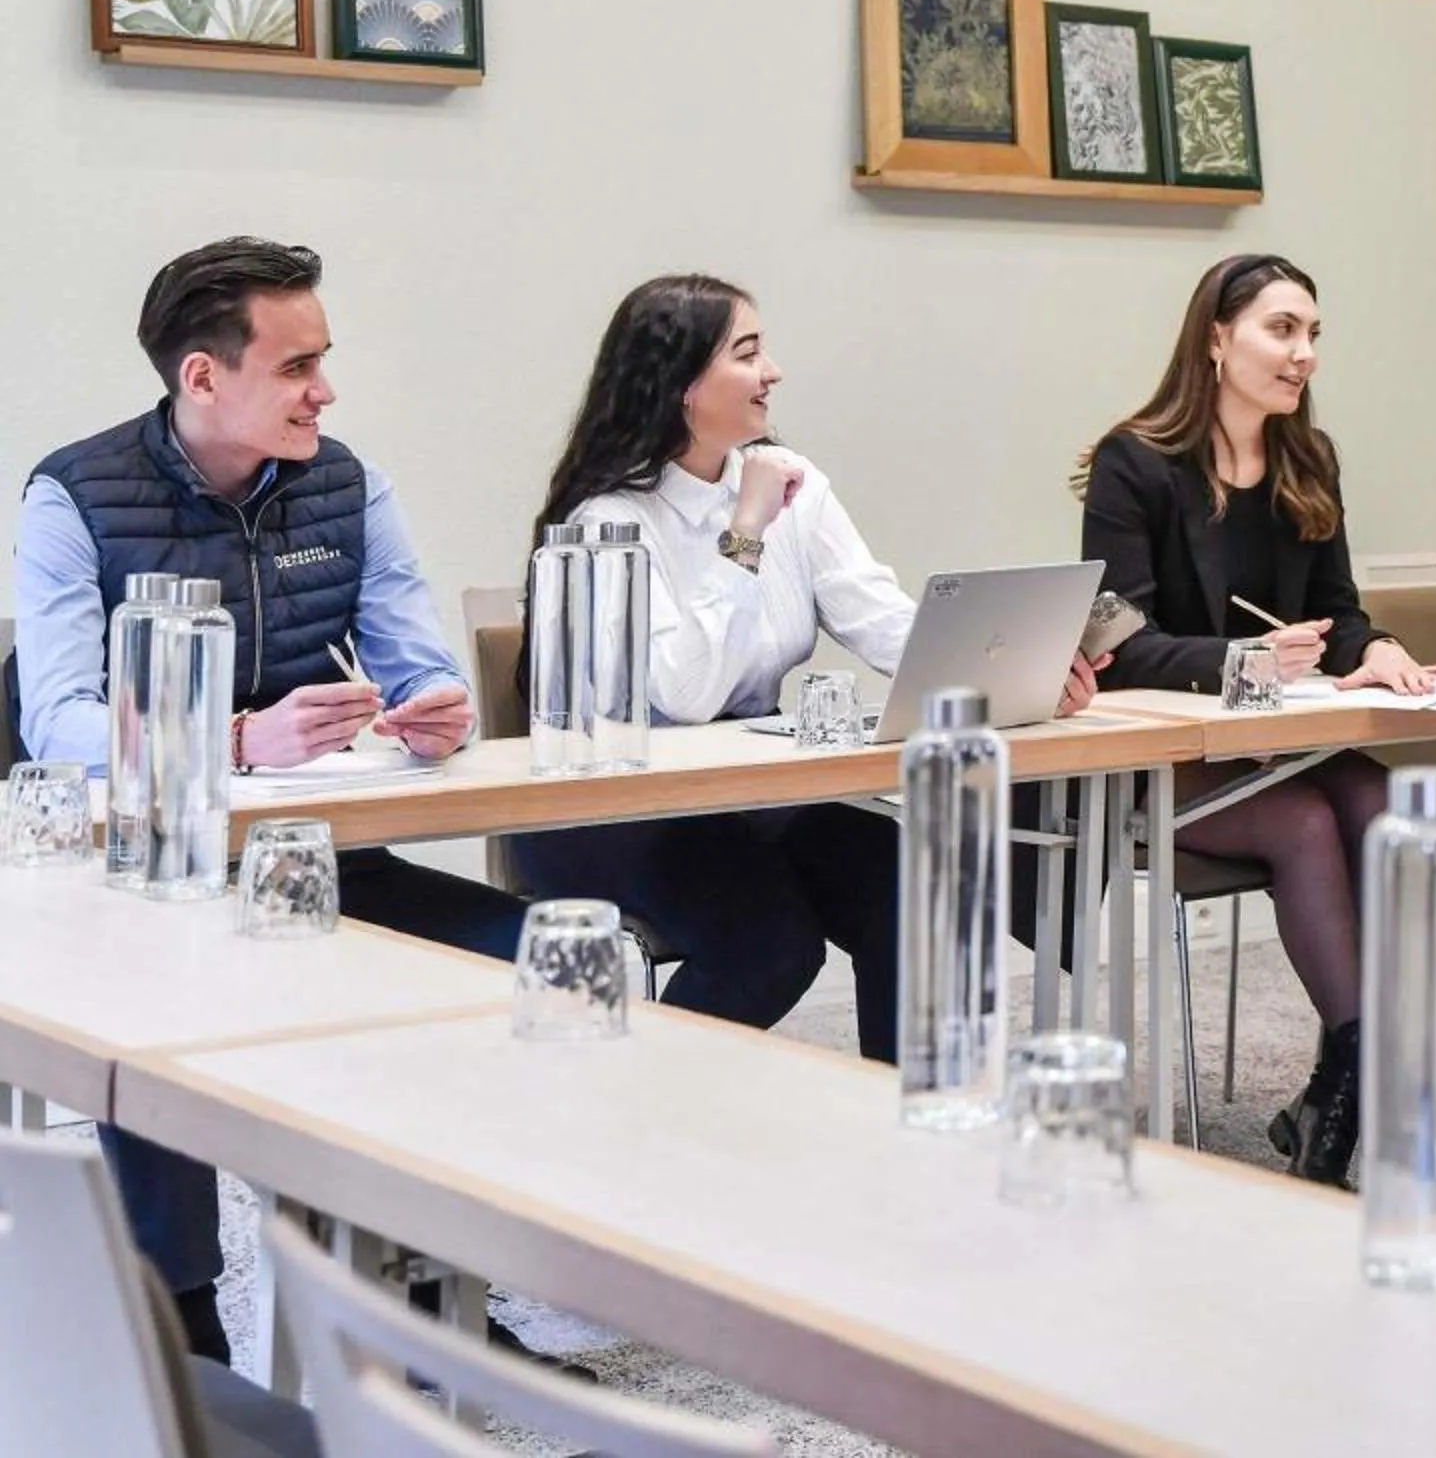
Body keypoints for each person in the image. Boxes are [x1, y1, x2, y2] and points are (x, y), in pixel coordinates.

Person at [12, 238, 528, 1360]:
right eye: (299, 367)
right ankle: (182, 1328)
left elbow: (412, 663)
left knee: (519, 956)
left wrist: (434, 708)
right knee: (151, 1019)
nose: (325, 392)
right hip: (145, 877)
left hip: (317, 857)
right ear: (203, 376)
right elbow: (54, 722)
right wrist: (237, 738)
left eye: (323, 362)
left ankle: (435, 1289)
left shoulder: (350, 482)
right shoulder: (73, 495)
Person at [511, 274, 1094, 1061]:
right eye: (748, 353)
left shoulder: (795, 481)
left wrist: (1015, 669)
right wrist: (744, 530)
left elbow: (877, 615)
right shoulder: (610, 520)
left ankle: (910, 1131)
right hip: (619, 810)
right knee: (772, 943)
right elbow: (683, 696)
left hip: (749, 798)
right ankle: (634, 1108)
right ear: (684, 384)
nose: (773, 372)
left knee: (914, 888)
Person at [1080, 254, 1434, 1184]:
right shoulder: (1135, 464)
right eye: (1283, 329)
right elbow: (1116, 642)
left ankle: (1338, 1087)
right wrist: (1235, 661)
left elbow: (1340, 610)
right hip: (1168, 751)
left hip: (1279, 739)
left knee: (1387, 808)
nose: (1303, 353)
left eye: (1313, 334)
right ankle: (1362, 1088)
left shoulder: (1307, 459)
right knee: (1311, 821)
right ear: (1215, 337)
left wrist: (1377, 649)